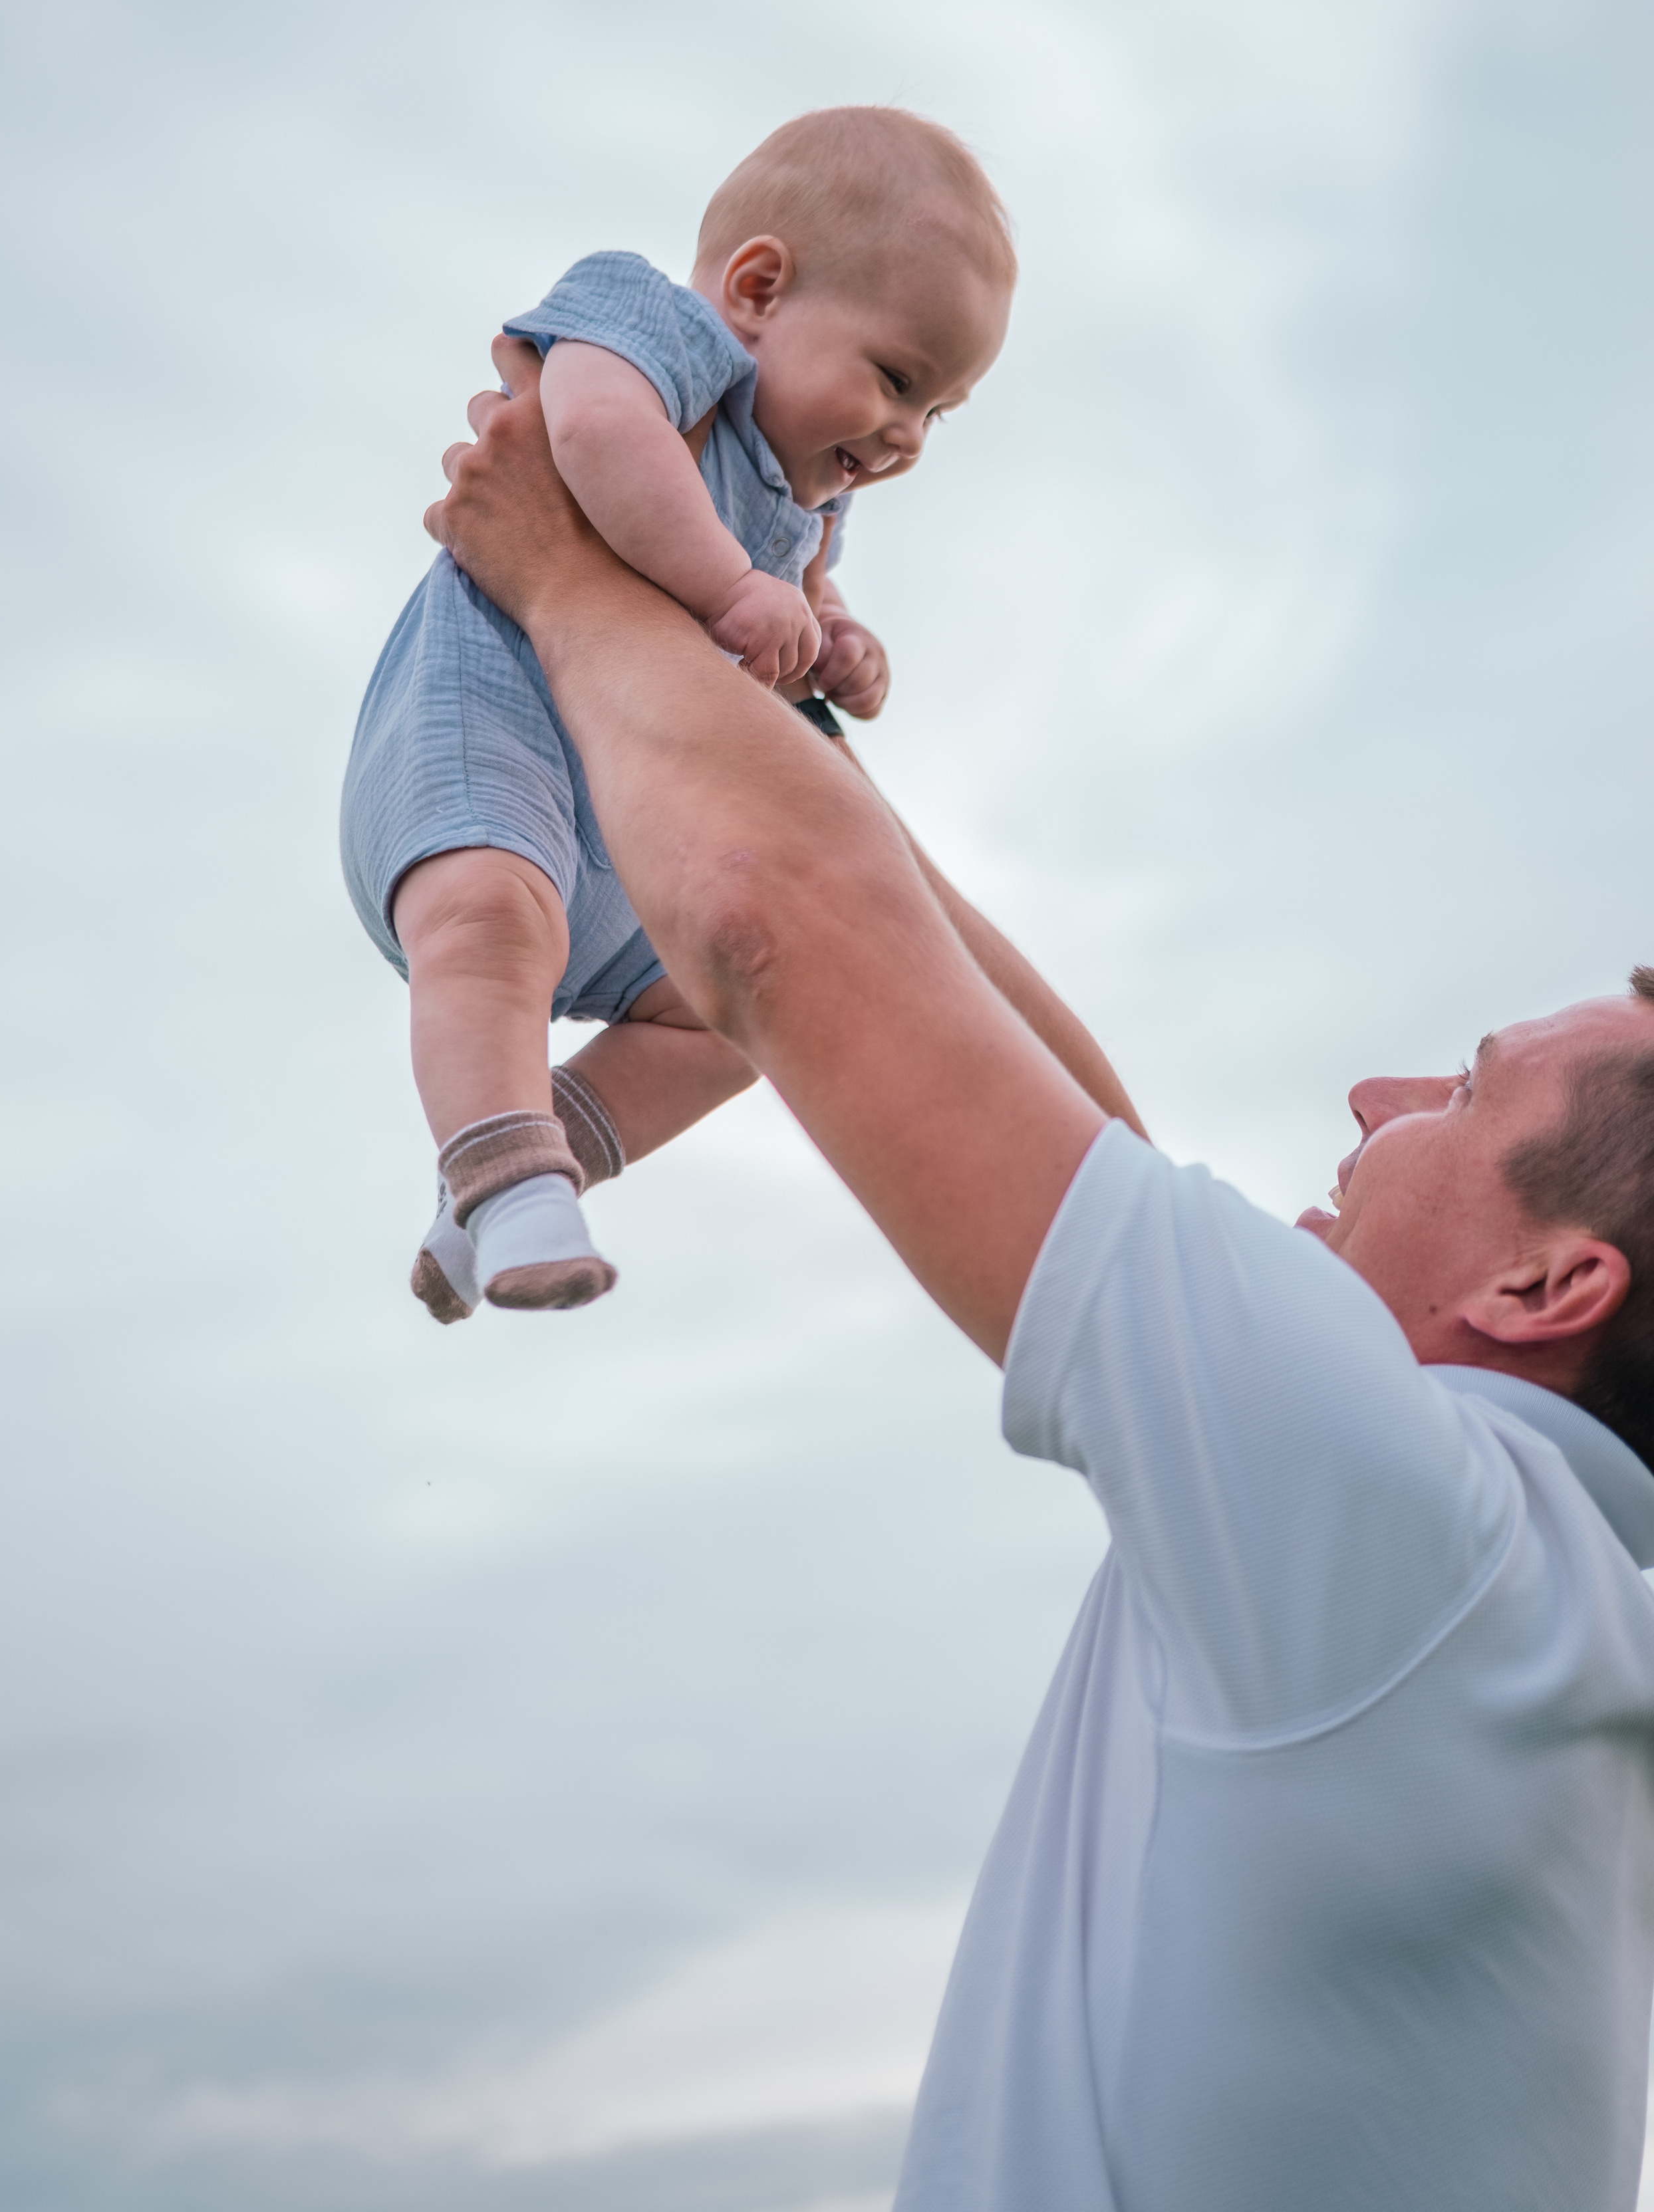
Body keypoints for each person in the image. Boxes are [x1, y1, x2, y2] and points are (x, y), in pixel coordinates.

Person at [418, 347, 1654, 2212]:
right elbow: (1067, 1121)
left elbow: (771, 920)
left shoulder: (1423, 1541)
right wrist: (780, 703)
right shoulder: (1517, 1609)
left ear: (1553, 1287)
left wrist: (559, 574)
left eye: (1465, 1092)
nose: (1376, 1096)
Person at [340, 106, 1014, 1319]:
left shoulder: (802, 498)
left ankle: (536, 1159)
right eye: (899, 378)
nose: (910, 434)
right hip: (490, 727)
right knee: (489, 918)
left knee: (742, 1006)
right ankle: (502, 1179)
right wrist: (734, 586)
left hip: (620, 826)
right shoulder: (650, 325)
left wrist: (833, 641)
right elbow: (597, 434)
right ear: (756, 287)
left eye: (940, 411)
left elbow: (780, 614)